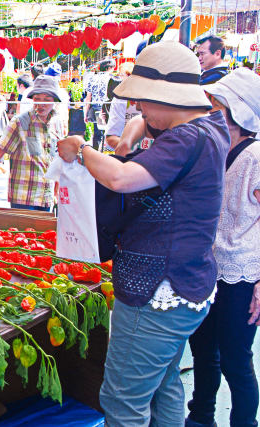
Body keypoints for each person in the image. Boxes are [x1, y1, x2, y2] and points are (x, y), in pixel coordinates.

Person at [57, 41, 229, 426]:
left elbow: (119, 177)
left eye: (142, 101)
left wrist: (81, 149)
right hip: (190, 285)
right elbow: (138, 131)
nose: (138, 109)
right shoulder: (210, 125)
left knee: (122, 401)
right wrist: (131, 139)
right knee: (164, 383)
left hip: (158, 290)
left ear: (163, 96)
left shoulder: (185, 139)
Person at [185, 68, 260, 427]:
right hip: (206, 269)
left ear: (236, 110)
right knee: (203, 352)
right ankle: (200, 417)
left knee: (235, 358)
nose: (209, 108)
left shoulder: (256, 156)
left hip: (243, 274)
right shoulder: (213, 147)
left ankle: (245, 424)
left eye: (217, 103)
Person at [0, 75, 62, 211]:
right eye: (37, 99)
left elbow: (56, 159)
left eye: (47, 100)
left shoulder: (56, 122)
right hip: (23, 197)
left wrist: (56, 191)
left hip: (45, 197)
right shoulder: (20, 122)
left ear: (54, 101)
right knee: (21, 232)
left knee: (42, 233)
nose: (41, 104)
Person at [83, 58, 115, 149]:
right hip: (107, 108)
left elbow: (88, 97)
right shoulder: (111, 78)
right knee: (108, 133)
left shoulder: (92, 78)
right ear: (110, 68)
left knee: (97, 134)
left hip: (96, 107)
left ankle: (96, 152)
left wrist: (85, 113)